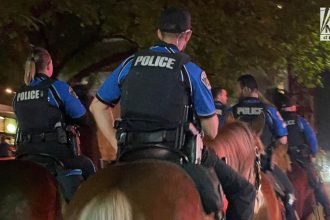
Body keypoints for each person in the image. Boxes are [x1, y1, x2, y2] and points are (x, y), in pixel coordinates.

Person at [90, 7, 255, 220]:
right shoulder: (191, 71)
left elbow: (97, 106)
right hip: (177, 154)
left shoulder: (130, 64)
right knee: (245, 192)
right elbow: (212, 131)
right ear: (187, 36)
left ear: (159, 33)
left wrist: (116, 143)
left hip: (130, 151)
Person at [13, 46, 95, 200]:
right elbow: (83, 117)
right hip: (55, 154)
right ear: (49, 65)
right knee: (87, 165)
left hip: (24, 153)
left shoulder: (18, 94)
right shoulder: (57, 88)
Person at [227, 74, 296, 220]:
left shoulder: (232, 111)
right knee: (289, 194)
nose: (236, 93)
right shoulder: (269, 110)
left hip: (235, 165)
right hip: (263, 162)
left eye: (237, 89)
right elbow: (283, 138)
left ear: (246, 90)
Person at [275, 92, 330, 219]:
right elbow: (312, 139)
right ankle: (328, 211)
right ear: (293, 107)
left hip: (281, 160)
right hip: (300, 159)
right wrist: (313, 154)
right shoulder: (300, 121)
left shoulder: (277, 121)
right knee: (317, 183)